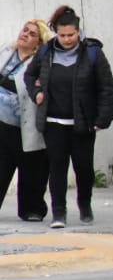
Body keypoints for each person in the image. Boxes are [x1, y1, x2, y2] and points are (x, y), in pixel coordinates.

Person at [24, 7, 113, 228]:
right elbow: (30, 74)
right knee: (57, 167)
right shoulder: (47, 52)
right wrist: (36, 93)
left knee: (83, 168)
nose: (66, 39)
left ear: (78, 32)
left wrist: (102, 118)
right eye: (62, 35)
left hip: (83, 122)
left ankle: (85, 205)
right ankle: (59, 213)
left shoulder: (93, 53)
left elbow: (106, 87)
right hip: (53, 122)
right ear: (56, 33)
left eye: (71, 35)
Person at [0, 19, 54, 221]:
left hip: (26, 125)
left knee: (32, 168)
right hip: (1, 123)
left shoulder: (40, 63)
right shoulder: (6, 51)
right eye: (25, 30)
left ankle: (32, 209)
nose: (25, 34)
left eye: (32, 34)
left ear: (38, 44)